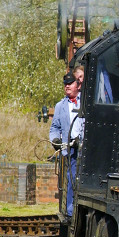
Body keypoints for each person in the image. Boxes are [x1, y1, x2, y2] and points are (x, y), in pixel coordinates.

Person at [49, 73, 84, 216]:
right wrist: (56, 140)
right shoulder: (60, 106)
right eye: (65, 84)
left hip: (84, 148)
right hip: (69, 150)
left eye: (70, 83)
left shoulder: (86, 103)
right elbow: (54, 128)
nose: (67, 86)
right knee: (70, 178)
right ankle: (70, 212)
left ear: (78, 85)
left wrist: (80, 139)